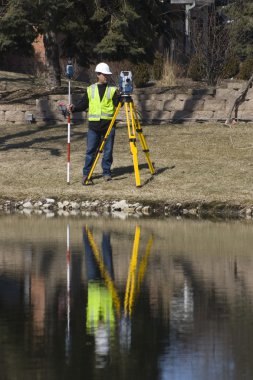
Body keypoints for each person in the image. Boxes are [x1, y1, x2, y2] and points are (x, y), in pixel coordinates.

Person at [68, 62, 121, 185]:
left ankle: (106, 172)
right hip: (94, 126)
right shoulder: (90, 89)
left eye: (107, 74)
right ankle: (87, 174)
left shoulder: (112, 90)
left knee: (108, 151)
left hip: (109, 125)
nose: (106, 76)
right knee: (90, 151)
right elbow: (83, 104)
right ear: (98, 74)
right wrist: (74, 108)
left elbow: (118, 104)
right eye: (104, 74)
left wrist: (121, 97)